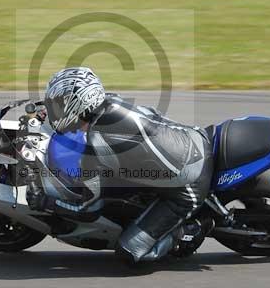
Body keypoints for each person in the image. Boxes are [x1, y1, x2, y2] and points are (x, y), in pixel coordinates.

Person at [40, 67, 214, 264]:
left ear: (78, 103)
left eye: (57, 105)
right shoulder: (110, 103)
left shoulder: (98, 142)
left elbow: (88, 209)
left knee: (129, 252)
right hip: (190, 139)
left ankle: (193, 228)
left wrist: (47, 203)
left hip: (189, 184)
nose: (54, 110)